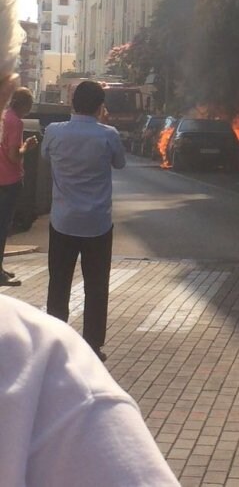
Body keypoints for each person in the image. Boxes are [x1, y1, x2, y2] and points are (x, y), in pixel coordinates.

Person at [0, 292, 181, 486]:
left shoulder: (49, 362)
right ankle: (76, 329)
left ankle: (94, 340)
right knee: (66, 282)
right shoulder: (42, 355)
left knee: (94, 286)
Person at [41, 80, 126, 361]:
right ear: (101, 106)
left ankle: (55, 341)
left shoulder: (54, 132)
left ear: (72, 102)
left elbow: (44, 156)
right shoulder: (108, 134)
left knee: (59, 281)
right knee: (97, 284)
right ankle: (92, 345)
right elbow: (120, 163)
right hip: (97, 224)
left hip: (63, 221)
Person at [0, 87, 38, 287]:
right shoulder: (16, 122)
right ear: (25, 105)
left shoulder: (3, 117)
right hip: (9, 180)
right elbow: (15, 155)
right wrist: (27, 147)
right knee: (3, 226)